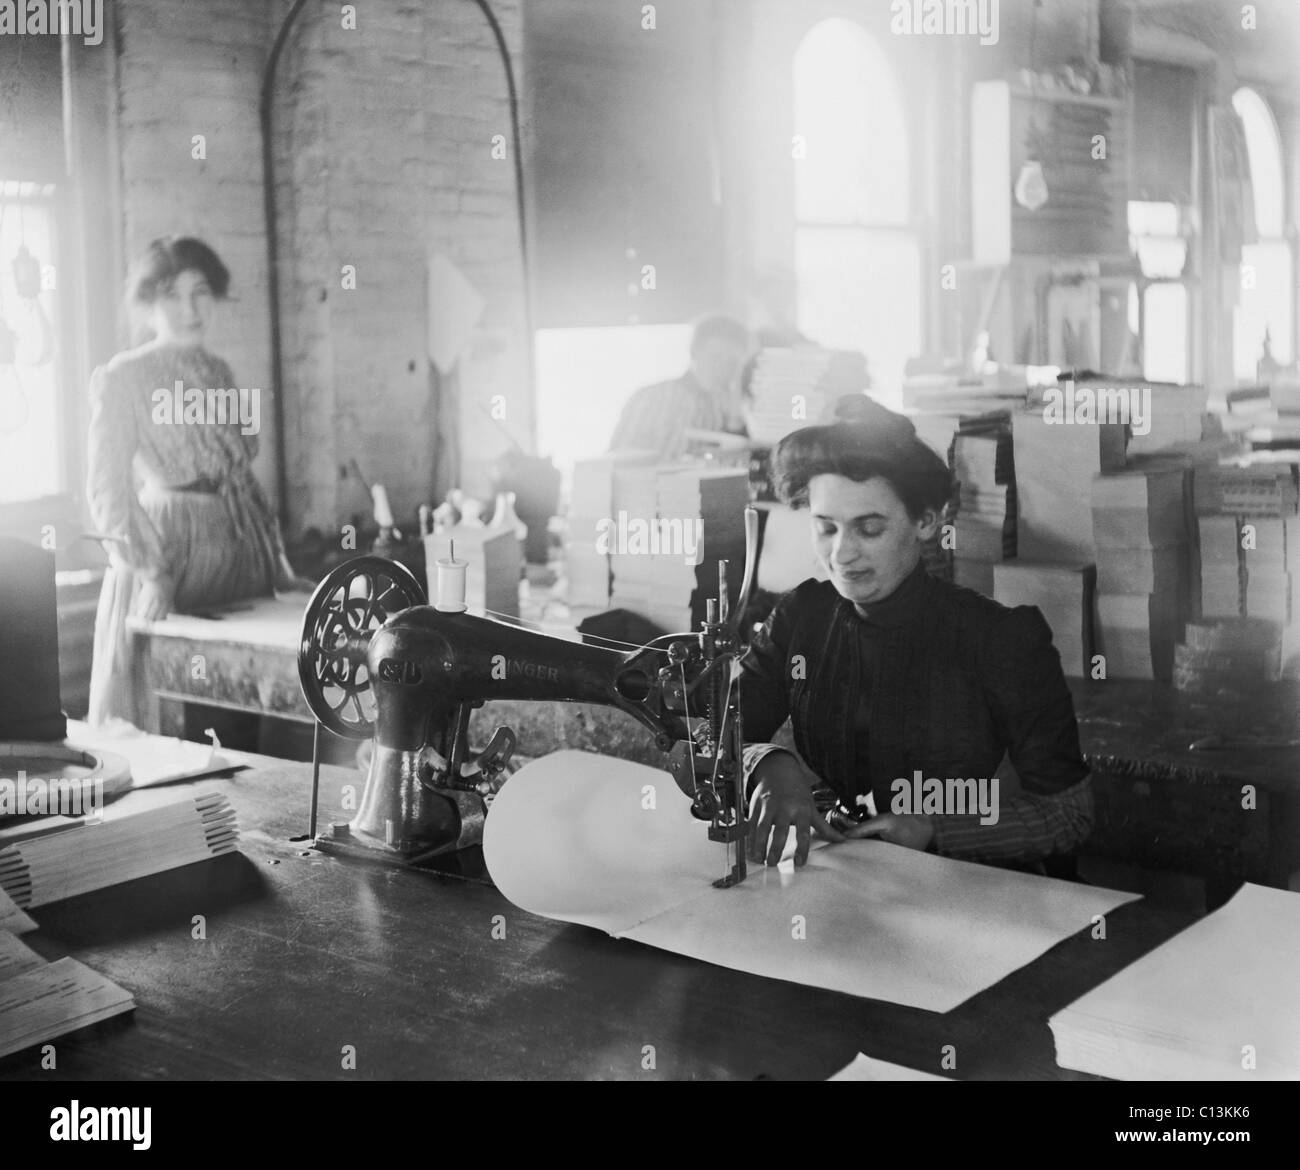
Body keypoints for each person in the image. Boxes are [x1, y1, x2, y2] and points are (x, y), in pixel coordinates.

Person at [738, 396, 1093, 870]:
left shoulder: (1002, 640)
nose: (842, 555)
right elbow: (701, 736)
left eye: (869, 529)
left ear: (926, 521)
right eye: (826, 529)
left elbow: (1068, 815)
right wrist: (764, 763)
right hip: (849, 876)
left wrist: (935, 830)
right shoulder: (801, 617)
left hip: (971, 888)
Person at [87, 236, 308, 726]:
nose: (190, 308)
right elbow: (108, 490)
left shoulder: (219, 371)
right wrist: (150, 571)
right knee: (175, 710)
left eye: (201, 291)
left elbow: (242, 479)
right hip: (170, 556)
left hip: (237, 553)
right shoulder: (124, 377)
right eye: (172, 295)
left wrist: (278, 561)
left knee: (237, 707)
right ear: (148, 306)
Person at [608, 314, 750, 459]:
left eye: (732, 362)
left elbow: (736, 463)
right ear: (694, 352)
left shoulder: (729, 409)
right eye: (716, 357)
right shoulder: (653, 397)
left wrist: (735, 414)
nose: (722, 367)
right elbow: (617, 456)